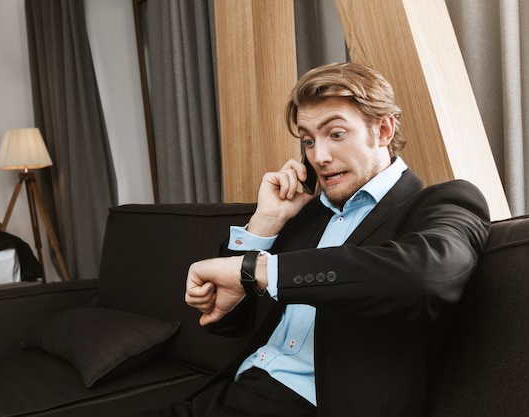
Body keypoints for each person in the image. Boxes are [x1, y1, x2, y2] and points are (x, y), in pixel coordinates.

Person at [131, 62, 491, 417]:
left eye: (335, 134)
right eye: (308, 140)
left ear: (382, 130)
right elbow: (227, 325)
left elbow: (426, 277)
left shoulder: (441, 202)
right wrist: (264, 223)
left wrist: (260, 270)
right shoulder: (306, 214)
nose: (318, 156)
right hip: (230, 394)